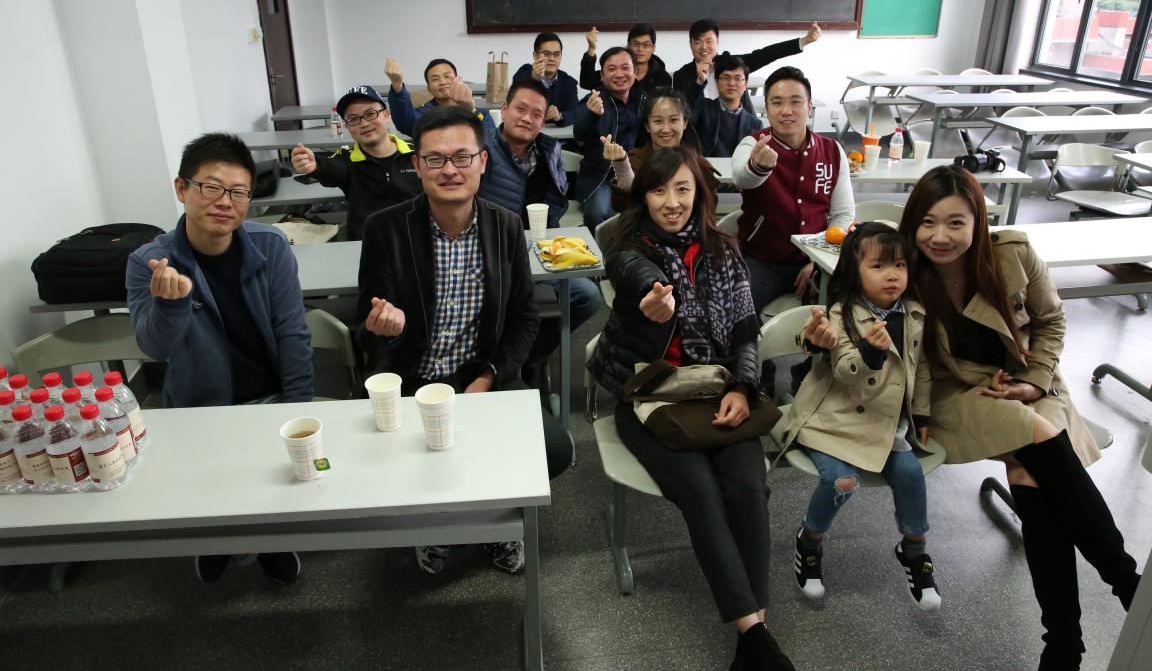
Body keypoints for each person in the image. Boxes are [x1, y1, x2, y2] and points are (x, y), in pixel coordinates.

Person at [888, 165, 1139, 669]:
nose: (940, 236)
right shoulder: (904, 268)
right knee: (1038, 435)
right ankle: (1128, 583)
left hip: (1026, 377)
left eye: (956, 223)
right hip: (954, 391)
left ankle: (1063, 642)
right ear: (913, 224)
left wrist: (1036, 382)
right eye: (928, 222)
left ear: (978, 222)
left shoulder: (1012, 253)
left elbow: (1051, 320)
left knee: (1030, 474)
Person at [587, 144, 794, 671]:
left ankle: (754, 635)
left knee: (748, 487)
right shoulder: (626, 246)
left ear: (699, 193)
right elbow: (633, 273)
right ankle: (756, 636)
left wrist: (743, 388)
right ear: (644, 197)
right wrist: (654, 304)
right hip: (647, 395)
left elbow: (746, 331)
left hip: (716, 391)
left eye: (682, 188)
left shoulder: (724, 251)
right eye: (659, 190)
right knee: (700, 489)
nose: (672, 202)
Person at [356, 106, 574, 577]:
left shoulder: (506, 226)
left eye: (462, 157)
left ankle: (494, 518)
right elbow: (365, 329)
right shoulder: (385, 228)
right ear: (417, 166)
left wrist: (489, 377)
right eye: (435, 159)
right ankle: (433, 522)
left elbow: (524, 319)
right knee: (407, 456)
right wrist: (383, 326)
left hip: (481, 374)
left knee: (555, 449)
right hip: (412, 379)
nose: (449, 170)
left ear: (482, 161)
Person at [126, 131, 312, 587]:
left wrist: (300, 409)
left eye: (238, 192)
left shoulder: (270, 246)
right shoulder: (149, 262)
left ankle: (271, 540)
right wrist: (170, 305)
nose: (225, 202)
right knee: (211, 491)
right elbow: (155, 349)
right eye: (210, 187)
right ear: (181, 188)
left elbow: (292, 332)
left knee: (270, 485)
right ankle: (215, 540)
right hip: (198, 407)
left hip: (268, 397)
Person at [785, 223, 940, 611]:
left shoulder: (915, 313)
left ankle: (915, 549)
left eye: (900, 265)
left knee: (911, 474)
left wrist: (921, 415)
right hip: (834, 418)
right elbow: (844, 371)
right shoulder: (843, 313)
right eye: (878, 266)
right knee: (842, 479)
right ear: (855, 272)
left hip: (885, 424)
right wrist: (869, 352)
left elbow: (921, 369)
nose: (893, 275)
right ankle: (810, 541)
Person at [477, 79, 602, 373]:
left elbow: (557, 203)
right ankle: (501, 361)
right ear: (504, 109)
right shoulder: (481, 153)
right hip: (491, 260)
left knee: (587, 296)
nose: (527, 118)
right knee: (502, 303)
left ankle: (527, 356)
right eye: (520, 109)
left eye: (536, 114)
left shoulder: (550, 149)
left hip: (540, 254)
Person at [731, 66, 854, 314]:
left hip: (816, 256)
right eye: (777, 103)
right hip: (762, 259)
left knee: (847, 307)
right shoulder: (753, 144)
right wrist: (758, 166)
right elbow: (741, 178)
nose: (786, 111)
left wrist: (818, 260)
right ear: (766, 109)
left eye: (796, 102)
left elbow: (843, 214)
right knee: (738, 310)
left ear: (810, 107)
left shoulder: (832, 150)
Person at [289, 85, 420, 240]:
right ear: (347, 126)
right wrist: (315, 165)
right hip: (367, 241)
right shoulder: (347, 158)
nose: (363, 124)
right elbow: (332, 168)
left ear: (386, 115)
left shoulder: (417, 154)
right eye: (353, 119)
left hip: (415, 236)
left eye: (370, 114)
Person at [600, 88, 716, 212]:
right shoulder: (635, 161)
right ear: (647, 126)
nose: (666, 129)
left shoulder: (699, 165)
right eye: (658, 121)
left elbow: (709, 208)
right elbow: (624, 207)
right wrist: (622, 166)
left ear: (685, 123)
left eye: (673, 120)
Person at [672, 18, 821, 113]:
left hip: (739, 125)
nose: (704, 47)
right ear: (690, 45)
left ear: (717, 42)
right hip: (701, 134)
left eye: (709, 41)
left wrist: (804, 41)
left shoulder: (733, 64)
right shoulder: (682, 75)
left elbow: (766, 54)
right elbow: (683, 110)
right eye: (698, 42)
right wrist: (699, 82)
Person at [573, 46, 647, 230]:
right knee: (598, 215)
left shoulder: (643, 99)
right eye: (612, 69)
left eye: (625, 68)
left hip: (637, 172)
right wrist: (591, 114)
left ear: (635, 72)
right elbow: (579, 134)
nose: (619, 74)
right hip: (602, 177)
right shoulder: (594, 99)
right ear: (602, 76)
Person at [384, 56, 496, 136]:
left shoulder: (481, 113)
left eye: (447, 76)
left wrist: (470, 111)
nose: (442, 82)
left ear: (458, 79)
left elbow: (490, 144)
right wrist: (397, 84)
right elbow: (405, 123)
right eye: (435, 79)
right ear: (429, 89)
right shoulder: (425, 115)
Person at [693, 55, 762, 158]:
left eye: (738, 78)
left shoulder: (755, 124)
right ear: (717, 82)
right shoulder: (703, 108)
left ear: (745, 84)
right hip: (705, 166)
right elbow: (686, 114)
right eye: (726, 77)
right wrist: (699, 82)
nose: (731, 83)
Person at [579, 23, 673, 95]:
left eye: (646, 45)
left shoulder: (663, 78)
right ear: (628, 45)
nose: (640, 49)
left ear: (653, 48)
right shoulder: (616, 72)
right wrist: (591, 49)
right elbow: (586, 82)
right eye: (635, 44)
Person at [511, 32, 579, 126]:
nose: (552, 58)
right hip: (525, 127)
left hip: (555, 133)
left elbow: (575, 113)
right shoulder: (525, 72)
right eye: (546, 53)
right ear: (535, 56)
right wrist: (534, 77)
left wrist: (559, 116)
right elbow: (516, 87)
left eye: (556, 54)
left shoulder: (568, 82)